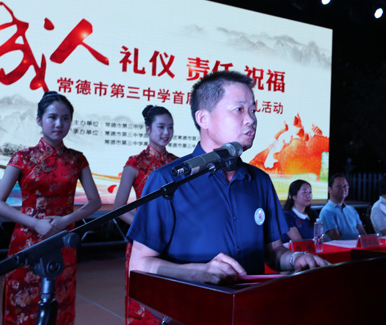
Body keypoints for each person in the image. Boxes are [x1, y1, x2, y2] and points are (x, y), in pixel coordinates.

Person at [127, 71, 328, 286]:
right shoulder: (168, 180)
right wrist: (198, 272)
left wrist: (295, 258)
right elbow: (139, 264)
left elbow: (274, 252)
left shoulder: (260, 181)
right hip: (192, 305)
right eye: (239, 109)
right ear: (203, 118)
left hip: (250, 302)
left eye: (253, 111)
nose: (251, 120)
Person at [0, 91, 101, 325]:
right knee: (21, 306)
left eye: (65, 118)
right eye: (52, 117)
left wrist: (66, 220)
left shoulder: (77, 159)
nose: (59, 124)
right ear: (39, 120)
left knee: (60, 304)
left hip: (62, 240)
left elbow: (94, 201)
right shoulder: (23, 157)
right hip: (27, 241)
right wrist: (35, 223)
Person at [113, 105, 178, 325]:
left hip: (173, 243)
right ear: (148, 129)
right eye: (161, 127)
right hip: (143, 243)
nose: (166, 132)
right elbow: (119, 207)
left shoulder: (178, 163)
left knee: (171, 300)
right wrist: (145, 231)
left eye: (170, 127)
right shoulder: (135, 163)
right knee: (140, 300)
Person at [319, 173, 367, 240]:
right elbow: (335, 238)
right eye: (338, 186)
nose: (343, 189)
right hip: (342, 246)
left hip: (357, 245)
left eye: (345, 186)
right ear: (329, 189)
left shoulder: (351, 209)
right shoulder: (327, 211)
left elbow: (362, 232)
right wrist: (353, 245)